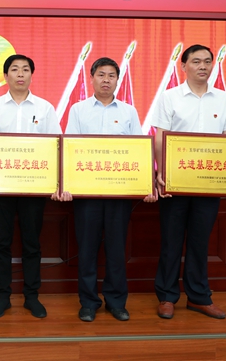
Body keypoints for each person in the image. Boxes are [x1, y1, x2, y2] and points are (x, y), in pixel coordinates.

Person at [55, 57, 156, 322]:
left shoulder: (129, 111)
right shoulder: (78, 110)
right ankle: (88, 303)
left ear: (117, 80)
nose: (106, 80)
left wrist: (147, 184)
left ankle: (116, 301)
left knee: (116, 250)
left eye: (111, 75)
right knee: (87, 250)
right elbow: (70, 147)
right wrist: (66, 184)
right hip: (86, 193)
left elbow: (139, 150)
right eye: (101, 75)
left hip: (118, 194)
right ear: (92, 78)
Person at [152, 44, 226, 320]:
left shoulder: (223, 99)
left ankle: (199, 297)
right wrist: (161, 173)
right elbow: (160, 136)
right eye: (196, 61)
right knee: (171, 242)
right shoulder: (169, 97)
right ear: (184, 66)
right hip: (175, 183)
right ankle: (167, 297)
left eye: (208, 61)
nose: (203, 66)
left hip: (209, 183)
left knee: (200, 242)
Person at [0, 54, 62, 319]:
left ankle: (31, 296)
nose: (20, 74)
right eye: (14, 69)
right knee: (1, 243)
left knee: (32, 243)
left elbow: (56, 144)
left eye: (25, 69)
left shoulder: (45, 108)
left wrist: (56, 181)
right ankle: (2, 296)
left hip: (33, 188)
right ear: (5, 76)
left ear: (31, 75)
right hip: (1, 187)